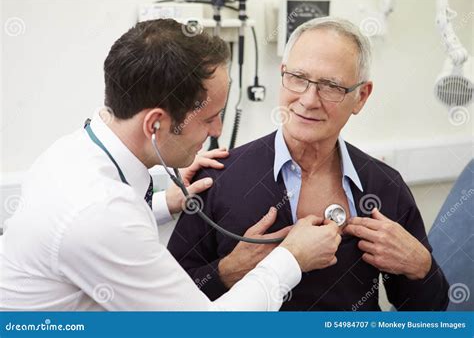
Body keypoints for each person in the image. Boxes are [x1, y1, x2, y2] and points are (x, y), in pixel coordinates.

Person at [0, 19, 343, 311]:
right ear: (155, 125)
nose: (218, 131)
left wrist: (167, 202)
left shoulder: (72, 151)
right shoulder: (99, 213)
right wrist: (291, 258)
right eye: (210, 118)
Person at [168, 17, 450, 311]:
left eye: (331, 86)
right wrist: (226, 272)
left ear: (361, 97)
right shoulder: (217, 179)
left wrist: (422, 267)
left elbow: (427, 313)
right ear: (282, 75)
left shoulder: (384, 186)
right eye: (298, 78)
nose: (309, 99)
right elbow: (169, 304)